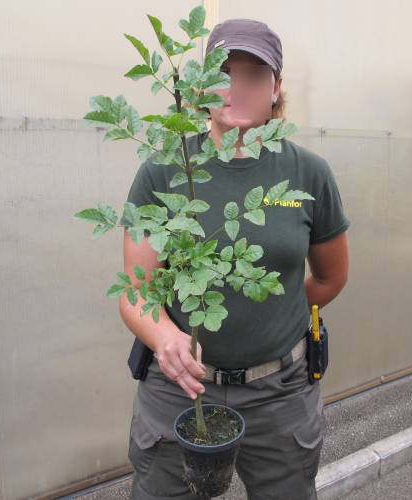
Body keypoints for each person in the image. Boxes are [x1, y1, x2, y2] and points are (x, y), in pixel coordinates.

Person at [119, 18, 350, 500]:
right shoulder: (163, 169)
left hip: (279, 392)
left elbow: (330, 278)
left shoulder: (308, 173)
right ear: (201, 84)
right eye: (223, 73)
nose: (236, 88)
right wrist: (165, 336)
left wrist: (269, 309)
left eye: (254, 75)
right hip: (178, 390)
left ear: (276, 87)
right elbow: (137, 291)